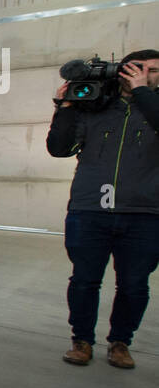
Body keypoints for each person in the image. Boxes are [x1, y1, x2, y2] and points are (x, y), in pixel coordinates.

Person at [47, 50, 159, 368]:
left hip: (145, 212)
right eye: (139, 69)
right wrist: (66, 106)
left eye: (154, 71)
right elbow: (59, 149)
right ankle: (81, 340)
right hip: (89, 208)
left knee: (135, 284)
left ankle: (121, 342)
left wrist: (141, 92)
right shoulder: (94, 105)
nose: (147, 75)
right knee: (84, 279)